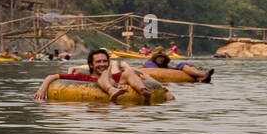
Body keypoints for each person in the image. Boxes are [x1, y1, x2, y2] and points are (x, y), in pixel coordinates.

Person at [34, 47, 174, 102]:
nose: (102, 64)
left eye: (104, 61)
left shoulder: (118, 76)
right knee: (104, 76)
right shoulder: (82, 78)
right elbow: (52, 77)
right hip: (100, 110)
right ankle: (111, 90)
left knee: (129, 71)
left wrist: (164, 91)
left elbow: (141, 75)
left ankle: (143, 90)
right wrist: (42, 89)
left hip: (123, 105)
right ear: (91, 65)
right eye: (98, 62)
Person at [144, 49, 213, 83]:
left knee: (182, 64)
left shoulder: (164, 65)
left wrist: (180, 67)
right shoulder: (150, 63)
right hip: (160, 78)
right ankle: (202, 75)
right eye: (159, 57)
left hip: (170, 75)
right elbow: (156, 71)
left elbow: (172, 68)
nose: (161, 59)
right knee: (181, 66)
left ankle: (200, 76)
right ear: (155, 58)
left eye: (163, 57)